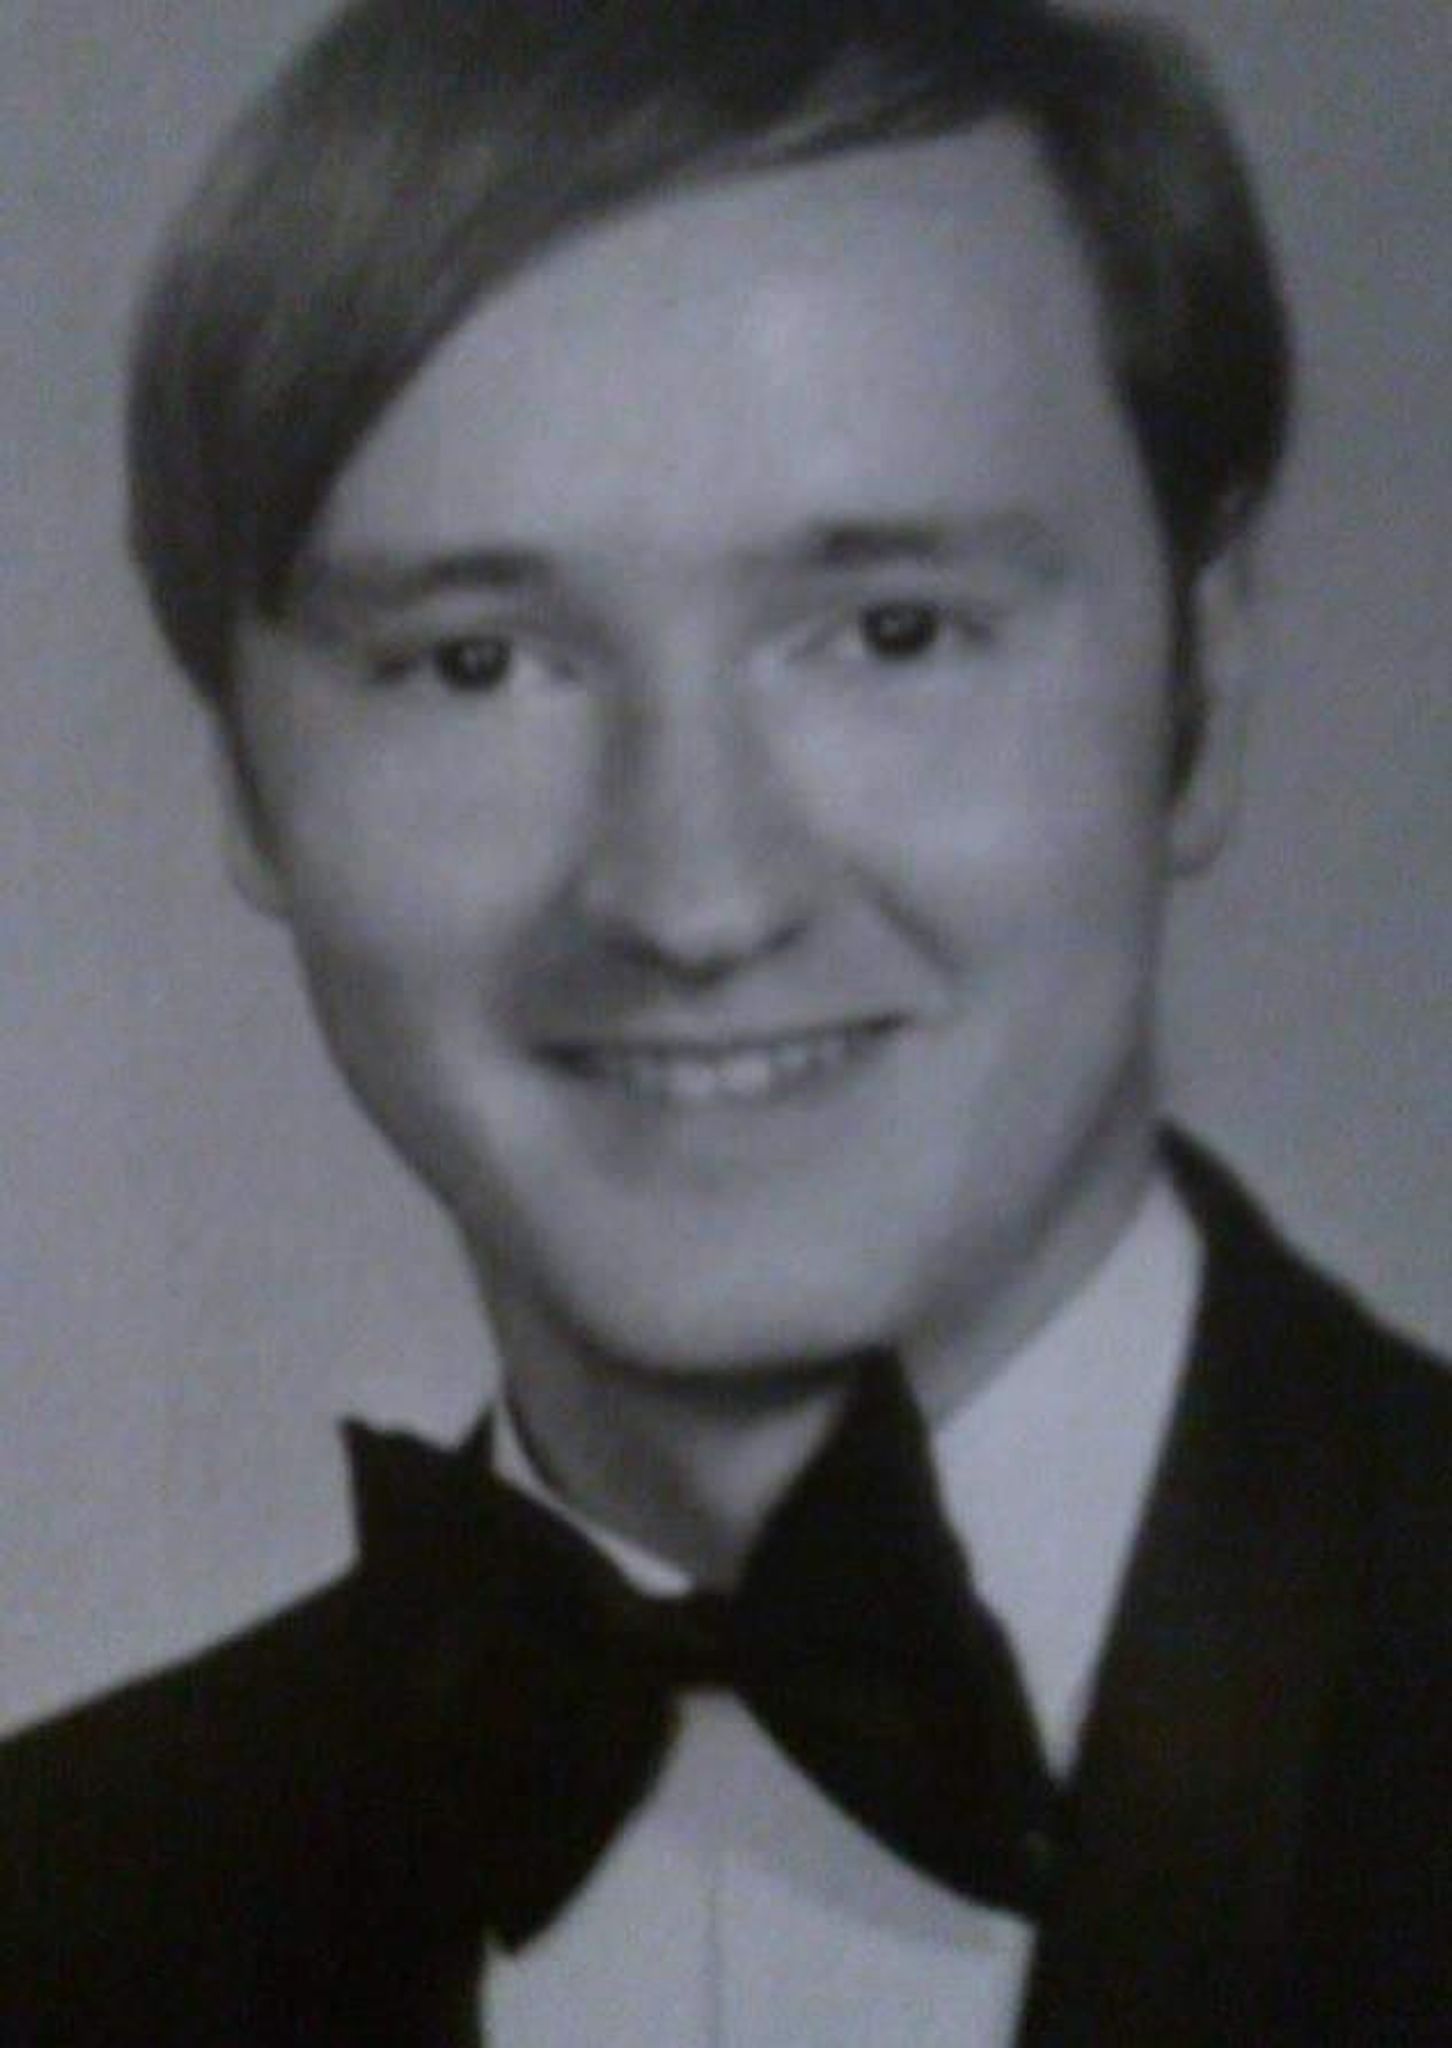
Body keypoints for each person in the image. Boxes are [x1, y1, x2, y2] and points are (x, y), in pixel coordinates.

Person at [2, 0, 1447, 2041]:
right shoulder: (53, 1905)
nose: (693, 899)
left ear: (1196, 698)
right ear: (243, 776)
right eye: (477, 662)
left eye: (891, 633)